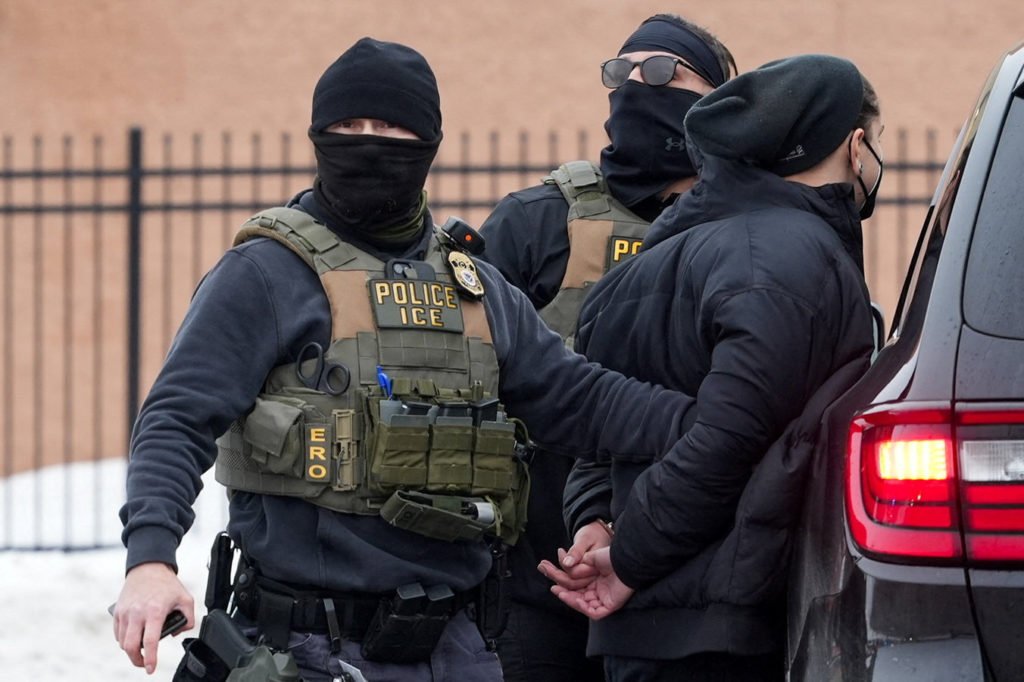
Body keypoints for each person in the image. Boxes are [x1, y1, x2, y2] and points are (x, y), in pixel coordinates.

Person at [111, 37, 698, 682]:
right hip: (304, 647)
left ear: (426, 143)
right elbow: (175, 418)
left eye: (390, 126)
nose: (367, 141)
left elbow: (580, 400)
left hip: (457, 649)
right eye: (347, 126)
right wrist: (150, 558)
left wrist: (720, 422)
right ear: (317, 136)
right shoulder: (266, 273)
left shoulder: (474, 286)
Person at [541, 54, 883, 681]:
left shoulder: (652, 260)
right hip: (720, 634)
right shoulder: (792, 256)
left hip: (647, 633)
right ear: (854, 145)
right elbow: (732, 436)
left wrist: (595, 521)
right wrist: (630, 560)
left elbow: (595, 429)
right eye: (874, 145)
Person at [478, 14, 734, 681]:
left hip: (687, 585)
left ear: (717, 100)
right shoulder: (540, 219)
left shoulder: (747, 230)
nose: (635, 87)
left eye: (660, 72)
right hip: (540, 576)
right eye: (620, 73)